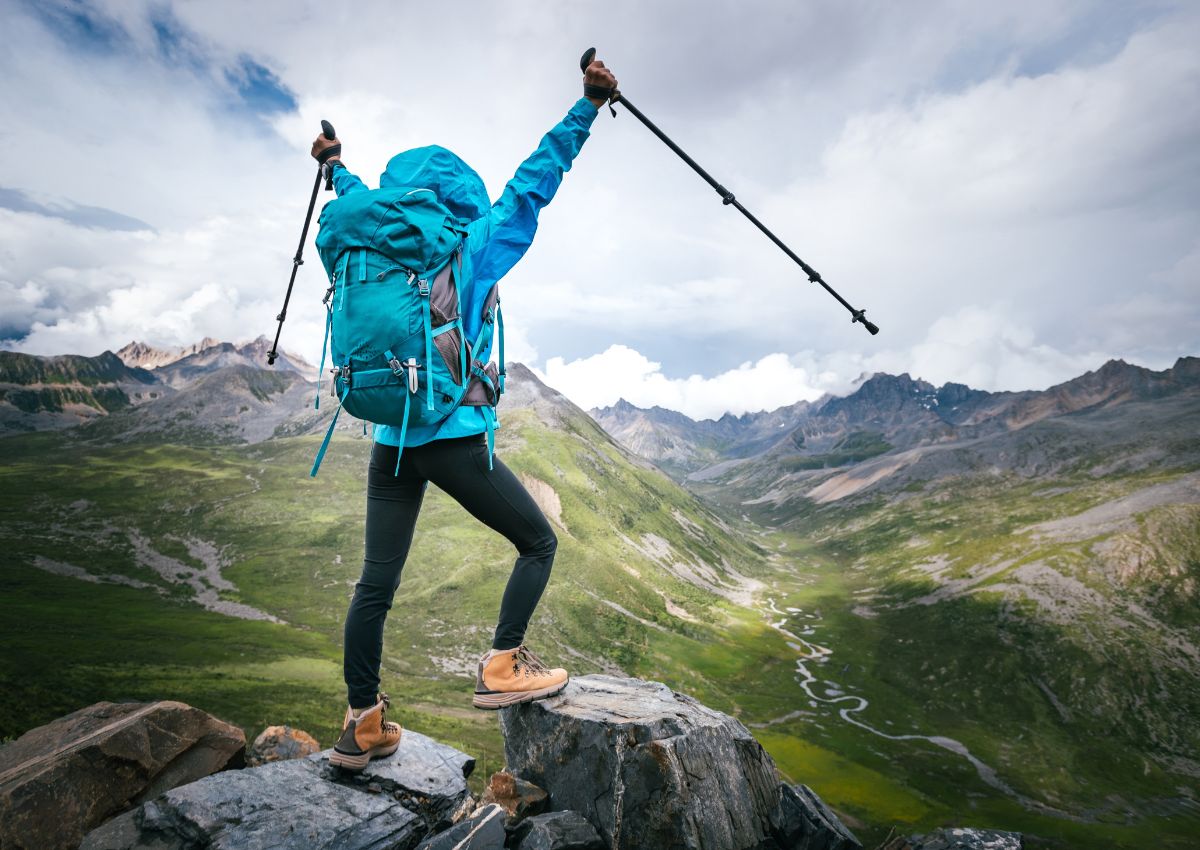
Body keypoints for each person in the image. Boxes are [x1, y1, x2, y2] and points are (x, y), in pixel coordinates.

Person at [310, 58, 619, 771]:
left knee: (374, 584)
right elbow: (533, 184)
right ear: (459, 193)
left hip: (390, 438)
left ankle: (362, 723)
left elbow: (357, 194)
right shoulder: (470, 243)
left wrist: (334, 165)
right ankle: (503, 665)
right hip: (452, 435)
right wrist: (587, 107)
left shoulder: (371, 236)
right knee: (538, 543)